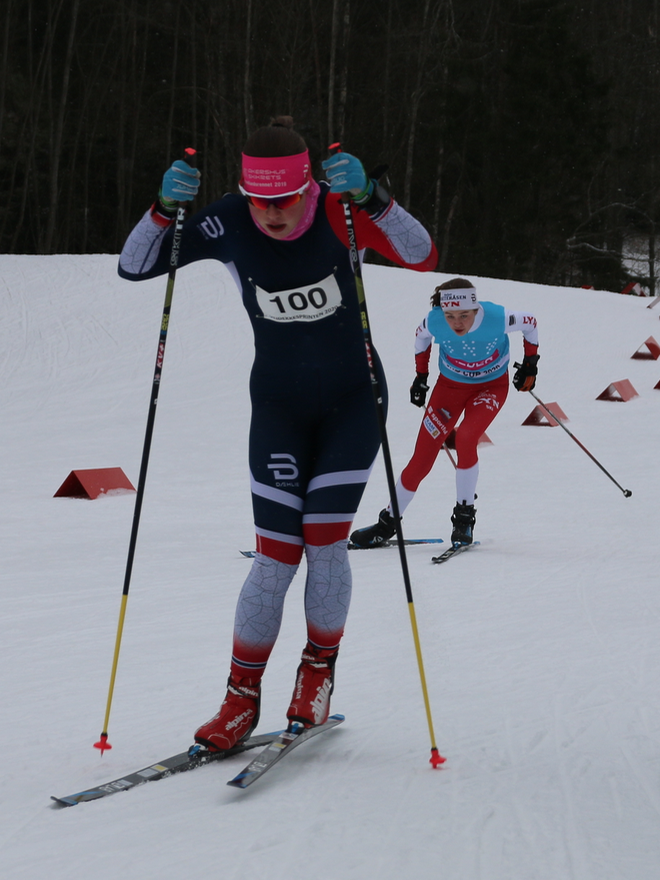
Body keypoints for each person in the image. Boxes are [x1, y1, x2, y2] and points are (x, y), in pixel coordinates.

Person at [117, 117, 438, 753]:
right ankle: (240, 699)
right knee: (275, 555)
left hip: (353, 402)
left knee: (324, 540)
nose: (271, 214)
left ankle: (317, 672)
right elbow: (135, 266)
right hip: (278, 407)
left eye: (285, 200)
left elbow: (422, 254)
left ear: (308, 186)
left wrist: (375, 197)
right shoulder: (229, 220)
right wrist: (161, 209)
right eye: (259, 201)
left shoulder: (341, 211)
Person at [351, 278, 540, 549]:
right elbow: (421, 339)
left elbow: (530, 323)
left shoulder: (497, 317)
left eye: (464, 315)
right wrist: (421, 377)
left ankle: (464, 518)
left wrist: (531, 363)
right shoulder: (434, 320)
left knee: (466, 437)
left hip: (490, 388)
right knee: (421, 458)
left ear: (475, 308)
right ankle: (387, 523)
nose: (457, 323)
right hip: (449, 389)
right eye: (450, 315)